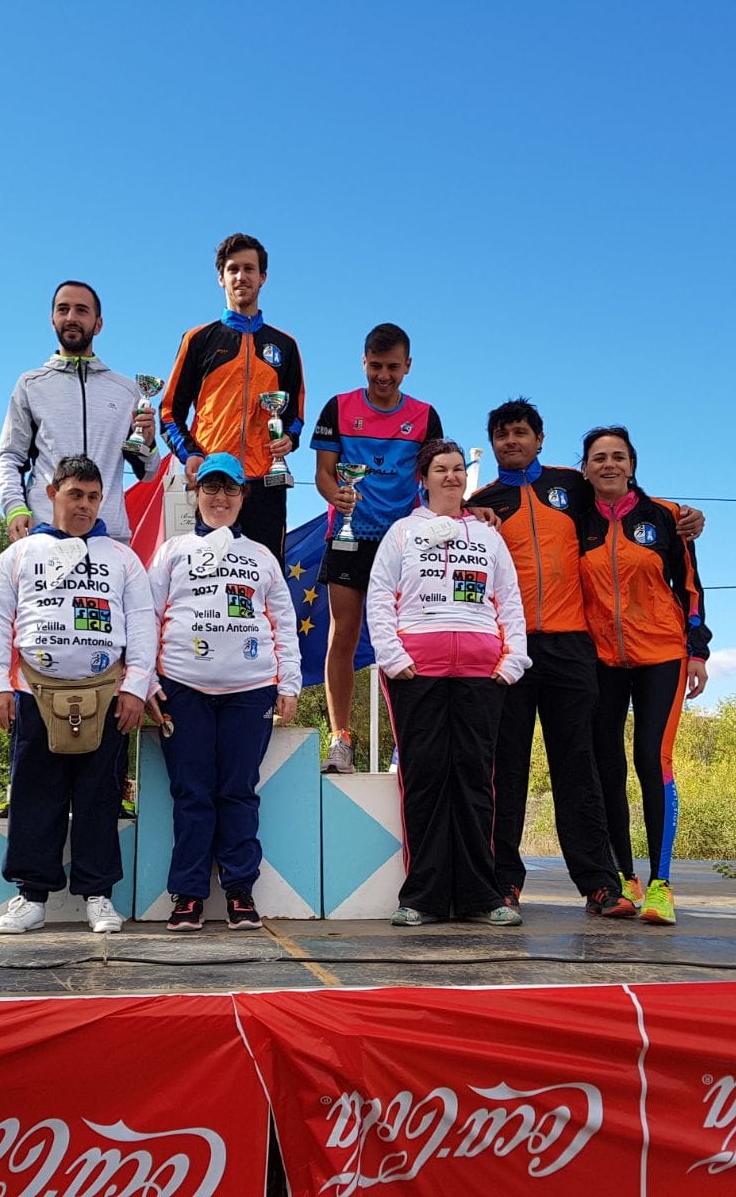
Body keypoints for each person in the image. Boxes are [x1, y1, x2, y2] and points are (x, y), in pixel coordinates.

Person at [468, 399, 703, 918]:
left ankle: (600, 883)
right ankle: (504, 881)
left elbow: (630, 501)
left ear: (540, 439)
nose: (512, 441)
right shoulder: (480, 503)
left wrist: (685, 517)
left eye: (521, 432)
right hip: (511, 648)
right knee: (507, 770)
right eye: (502, 434)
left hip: (574, 646)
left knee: (581, 768)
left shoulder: (572, 485)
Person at [0, 455, 156, 935]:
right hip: (33, 694)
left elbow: (142, 623)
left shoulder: (122, 558)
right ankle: (30, 896)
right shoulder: (19, 554)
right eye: (75, 494)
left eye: (93, 497)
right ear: (52, 493)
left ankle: (99, 896)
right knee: (35, 796)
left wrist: (136, 687)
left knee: (101, 797)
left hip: (107, 694)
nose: (84, 505)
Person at [367, 439, 530, 927]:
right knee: (425, 779)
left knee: (477, 780)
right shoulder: (402, 531)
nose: (452, 476)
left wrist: (513, 660)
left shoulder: (488, 536)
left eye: (458, 469)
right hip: (417, 671)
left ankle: (483, 895)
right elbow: (380, 596)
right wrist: (392, 657)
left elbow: (509, 598)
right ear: (424, 478)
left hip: (482, 671)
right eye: (441, 469)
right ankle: (423, 897)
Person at [146, 453, 301, 931]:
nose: (220, 498)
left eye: (230, 488)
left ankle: (239, 890)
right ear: (196, 493)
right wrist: (146, 682)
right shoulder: (171, 551)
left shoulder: (262, 556)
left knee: (238, 792)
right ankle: (188, 894)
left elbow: (284, 622)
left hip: (251, 690)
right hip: (182, 688)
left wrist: (289, 682)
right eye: (211, 488)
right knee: (191, 794)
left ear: (242, 496)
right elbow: (147, 617)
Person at [577, 426, 712, 927]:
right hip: (601, 658)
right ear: (584, 469)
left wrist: (697, 651)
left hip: (662, 653)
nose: (609, 464)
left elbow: (691, 588)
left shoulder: (667, 517)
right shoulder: (576, 519)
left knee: (652, 759)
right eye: (598, 458)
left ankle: (661, 884)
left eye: (618, 456)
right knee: (606, 766)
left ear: (632, 465)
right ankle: (623, 877)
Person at [311, 322, 443, 774]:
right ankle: (341, 739)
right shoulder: (339, 407)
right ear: (363, 362)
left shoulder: (425, 415)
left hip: (403, 541)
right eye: (375, 366)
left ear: (408, 366)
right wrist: (336, 495)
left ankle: (406, 741)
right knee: (343, 634)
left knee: (406, 640)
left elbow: (434, 476)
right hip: (350, 536)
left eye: (392, 367)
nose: (383, 376)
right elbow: (324, 473)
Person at [160, 233, 305, 562]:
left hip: (266, 482)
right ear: (221, 278)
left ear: (263, 277)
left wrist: (289, 439)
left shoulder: (285, 345)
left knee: (265, 574)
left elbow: (295, 415)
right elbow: (169, 412)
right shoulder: (198, 339)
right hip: (213, 481)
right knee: (203, 575)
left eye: (249, 269)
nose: (241, 276)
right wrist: (191, 454)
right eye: (233, 269)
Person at [0, 280, 158, 544]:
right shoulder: (31, 384)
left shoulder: (126, 390)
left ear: (98, 324)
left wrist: (147, 444)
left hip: (109, 537)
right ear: (52, 320)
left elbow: (149, 473)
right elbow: (9, 456)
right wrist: (15, 507)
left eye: (81, 310)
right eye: (63, 309)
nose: (71, 317)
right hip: (46, 533)